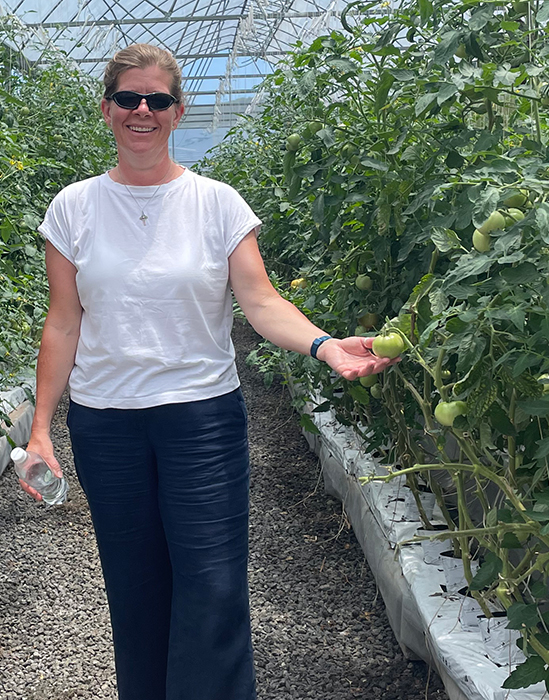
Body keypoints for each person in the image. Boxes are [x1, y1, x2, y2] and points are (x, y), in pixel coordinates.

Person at [25, 43, 396, 700]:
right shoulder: (73, 208)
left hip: (200, 420)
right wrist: (41, 429)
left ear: (177, 111)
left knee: (213, 587)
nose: (143, 111)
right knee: (137, 590)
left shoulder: (216, 203)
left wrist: (325, 345)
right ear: (107, 109)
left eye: (157, 101)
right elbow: (63, 322)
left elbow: (259, 300)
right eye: (129, 99)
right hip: (106, 425)